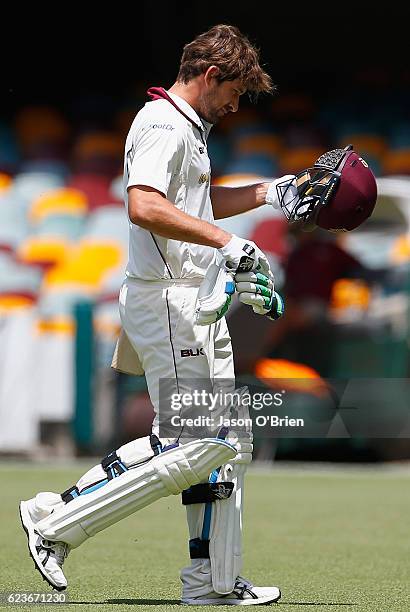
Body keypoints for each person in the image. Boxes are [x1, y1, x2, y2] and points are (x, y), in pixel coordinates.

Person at [19, 24, 377, 606]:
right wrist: (226, 244)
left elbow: (195, 205)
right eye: (235, 92)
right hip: (168, 299)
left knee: (228, 442)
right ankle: (55, 519)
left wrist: (266, 192)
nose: (238, 106)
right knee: (201, 440)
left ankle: (211, 583)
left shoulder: (187, 126)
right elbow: (143, 206)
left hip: (188, 298)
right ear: (211, 76)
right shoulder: (162, 123)